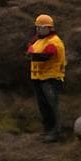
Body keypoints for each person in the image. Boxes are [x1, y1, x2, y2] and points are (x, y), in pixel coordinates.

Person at [28, 14, 67, 143]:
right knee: (43, 105)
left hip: (51, 78)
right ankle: (47, 130)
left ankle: (55, 132)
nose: (39, 30)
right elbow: (30, 51)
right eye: (37, 27)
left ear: (49, 28)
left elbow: (47, 55)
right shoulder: (37, 40)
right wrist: (32, 54)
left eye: (42, 27)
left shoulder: (54, 41)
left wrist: (33, 56)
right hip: (38, 77)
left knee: (52, 106)